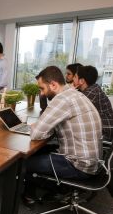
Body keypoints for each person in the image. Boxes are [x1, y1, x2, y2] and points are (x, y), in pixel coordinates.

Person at [23, 66, 102, 206]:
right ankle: (55, 189)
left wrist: (38, 126)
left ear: (53, 85)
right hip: (93, 161)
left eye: (42, 88)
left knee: (23, 163)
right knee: (41, 151)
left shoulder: (62, 99)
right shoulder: (75, 94)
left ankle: (35, 195)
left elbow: (36, 134)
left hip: (78, 165)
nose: (41, 94)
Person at [73, 65, 113, 141]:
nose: (72, 79)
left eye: (75, 77)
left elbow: (72, 109)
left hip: (104, 133)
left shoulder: (92, 92)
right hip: (100, 129)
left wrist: (70, 90)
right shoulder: (91, 89)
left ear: (82, 81)